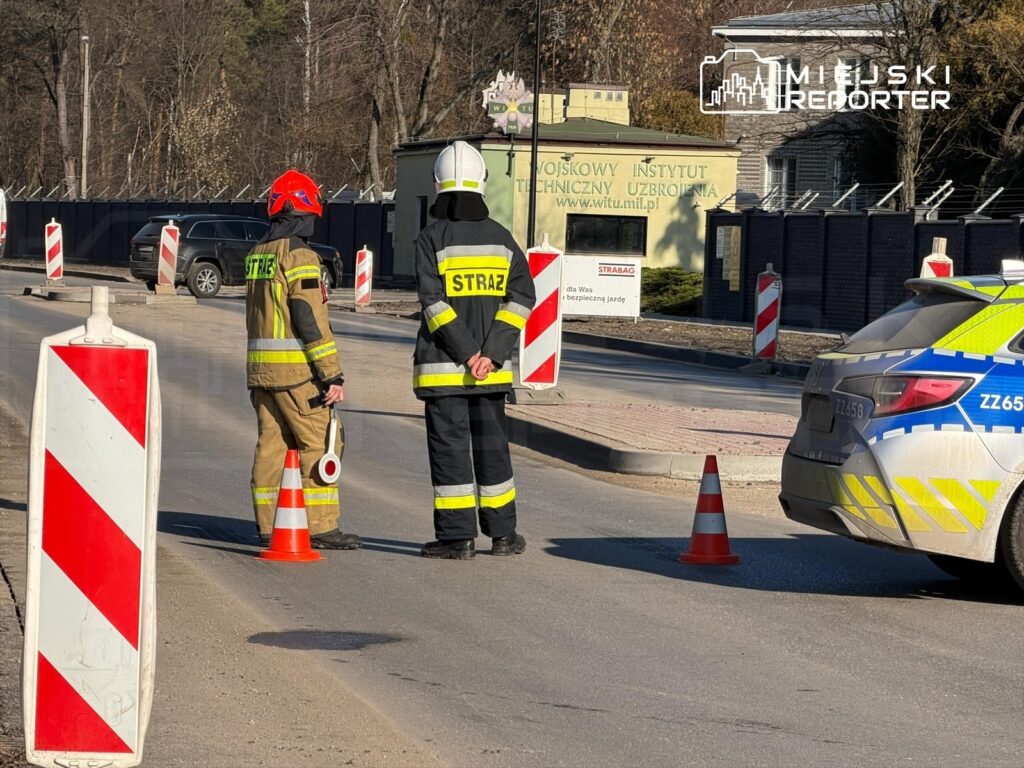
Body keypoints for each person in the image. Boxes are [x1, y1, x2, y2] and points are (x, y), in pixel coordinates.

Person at [413, 141, 536, 559]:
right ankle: (504, 535)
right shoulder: (503, 239)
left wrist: (467, 355)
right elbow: (522, 297)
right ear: (482, 183)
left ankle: (456, 538)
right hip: (491, 374)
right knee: (492, 451)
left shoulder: (431, 239)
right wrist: (491, 353)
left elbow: (434, 305)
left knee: (450, 454)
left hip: (446, 373)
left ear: (437, 185)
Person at [245, 169, 361, 550]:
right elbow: (308, 318)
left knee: (271, 445)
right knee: (322, 442)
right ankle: (321, 525)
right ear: (305, 210)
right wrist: (332, 375)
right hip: (297, 373)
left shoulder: (258, 254)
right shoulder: (301, 255)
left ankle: (267, 525)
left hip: (260, 373)